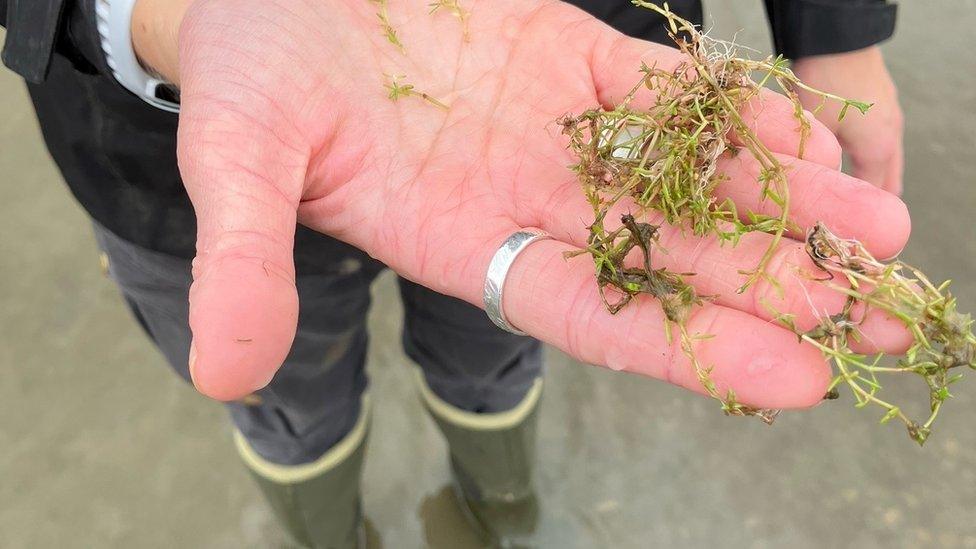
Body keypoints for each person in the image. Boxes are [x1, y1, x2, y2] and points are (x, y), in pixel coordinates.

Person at [2, 0, 904, 546]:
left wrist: (835, 24)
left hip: (565, 112)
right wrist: (173, 12)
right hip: (161, 158)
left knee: (504, 348)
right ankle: (328, 532)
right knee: (283, 399)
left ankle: (501, 506)